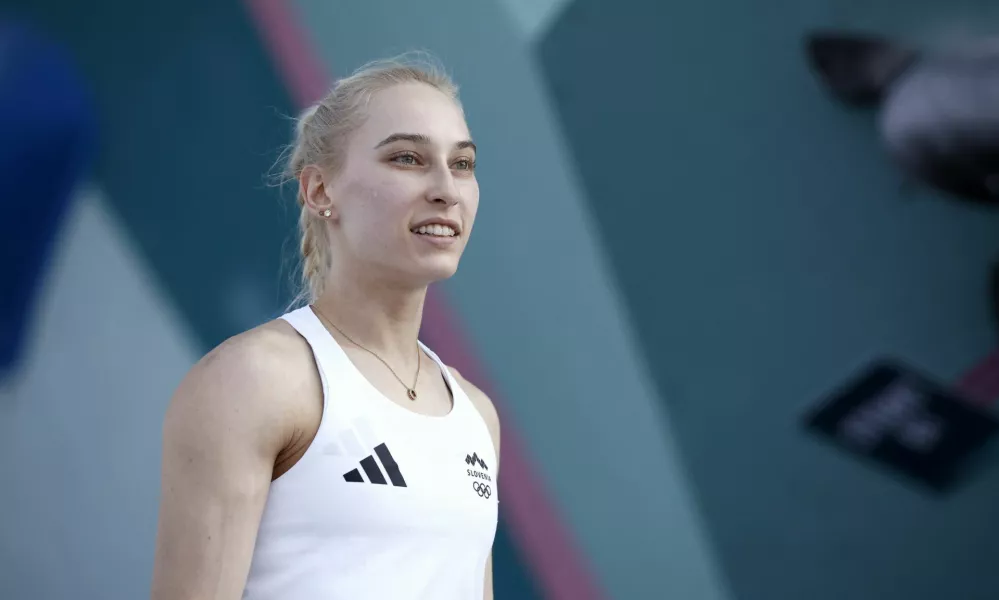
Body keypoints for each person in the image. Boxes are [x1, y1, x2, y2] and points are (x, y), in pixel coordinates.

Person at [150, 55, 500, 600]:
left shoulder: (477, 417)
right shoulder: (256, 381)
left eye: (462, 163)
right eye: (408, 158)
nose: (446, 189)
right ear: (319, 191)